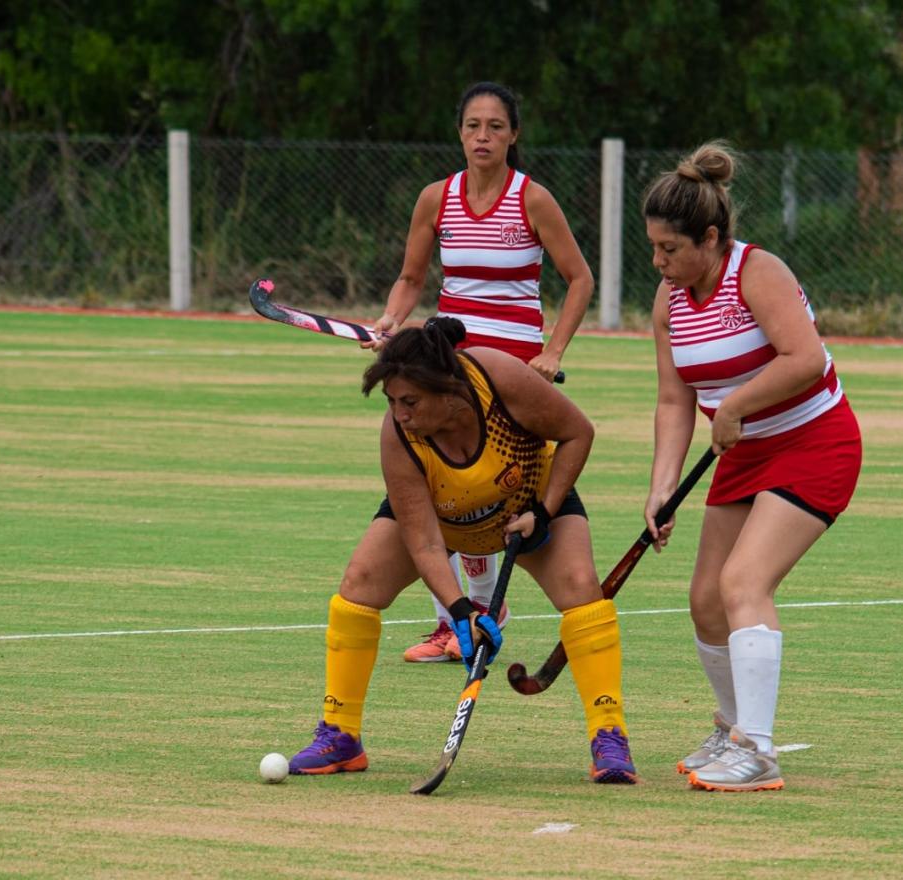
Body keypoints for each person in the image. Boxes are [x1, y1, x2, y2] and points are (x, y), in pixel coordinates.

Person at [286, 318, 638, 784]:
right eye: (392, 402)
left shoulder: (500, 379)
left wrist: (545, 511)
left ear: (448, 389)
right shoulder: (400, 437)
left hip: (526, 507)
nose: (400, 414)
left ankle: (609, 736)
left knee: (580, 589)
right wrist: (459, 611)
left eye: (410, 401)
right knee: (359, 584)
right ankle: (340, 734)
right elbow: (425, 541)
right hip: (442, 517)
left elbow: (578, 432)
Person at [641, 142, 861, 792]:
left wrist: (735, 402)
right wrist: (661, 491)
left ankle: (758, 753)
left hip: (814, 442)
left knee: (742, 582)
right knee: (706, 600)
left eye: (670, 249)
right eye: (653, 248)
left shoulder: (756, 273)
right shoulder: (669, 299)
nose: (658, 262)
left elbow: (807, 359)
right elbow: (674, 398)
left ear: (710, 238)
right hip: (743, 454)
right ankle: (733, 729)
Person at [368, 81, 595, 662]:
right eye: (473, 126)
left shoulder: (532, 199)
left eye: (496, 126)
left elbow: (579, 279)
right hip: (450, 372)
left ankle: (476, 611)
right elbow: (412, 279)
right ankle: (460, 620)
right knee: (440, 489)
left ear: (513, 135)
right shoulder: (435, 198)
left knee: (492, 497)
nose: (483, 137)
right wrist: (392, 321)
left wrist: (553, 352)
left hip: (512, 378)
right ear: (460, 133)